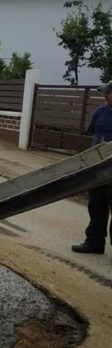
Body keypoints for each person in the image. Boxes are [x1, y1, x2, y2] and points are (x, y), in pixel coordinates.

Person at [71, 82, 112, 254]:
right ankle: (94, 243)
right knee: (96, 206)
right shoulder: (99, 113)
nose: (105, 95)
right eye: (105, 92)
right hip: (97, 169)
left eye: (109, 92)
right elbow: (94, 136)